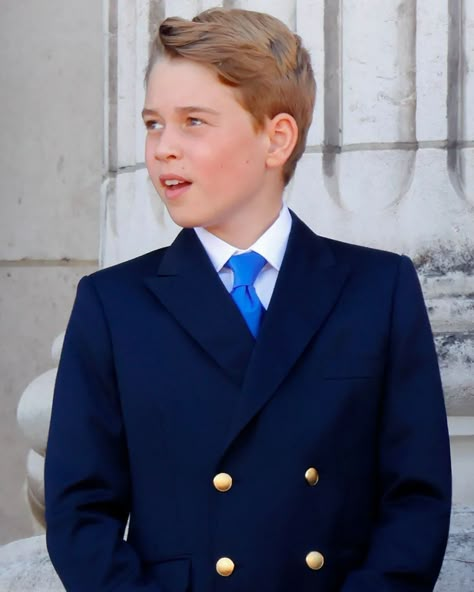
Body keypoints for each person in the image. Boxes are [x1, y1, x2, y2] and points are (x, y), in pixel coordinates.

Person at [45, 7, 451, 592]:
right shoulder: (113, 306)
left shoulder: (377, 290)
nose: (163, 148)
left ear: (276, 138)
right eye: (154, 123)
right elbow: (80, 515)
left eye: (194, 122)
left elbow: (415, 497)